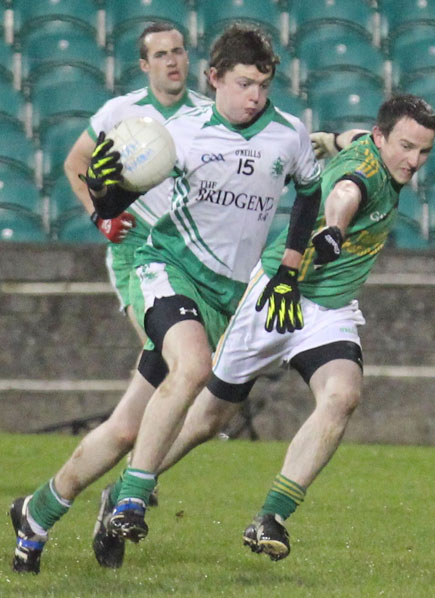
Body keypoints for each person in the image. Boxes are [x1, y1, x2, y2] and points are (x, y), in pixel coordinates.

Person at [10, 22, 322, 574]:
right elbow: (113, 201)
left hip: (223, 296)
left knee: (129, 425)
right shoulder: (184, 134)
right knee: (194, 366)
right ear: (216, 78)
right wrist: (105, 191)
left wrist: (289, 269)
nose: (255, 96)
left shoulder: (289, 134)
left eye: (263, 85)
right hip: (167, 267)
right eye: (244, 83)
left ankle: (36, 512)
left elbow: (308, 191)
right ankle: (131, 496)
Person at [132, 93, 435, 562]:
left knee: (342, 395)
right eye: (406, 147)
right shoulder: (367, 174)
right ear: (382, 139)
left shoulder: (372, 145)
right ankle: (131, 489)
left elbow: (355, 141)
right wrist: (334, 230)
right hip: (280, 292)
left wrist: (332, 138)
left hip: (329, 310)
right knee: (211, 417)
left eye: (423, 151)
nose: (414, 160)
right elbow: (345, 193)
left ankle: (271, 517)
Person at [64, 21, 211, 342]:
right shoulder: (120, 112)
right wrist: (99, 215)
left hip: (189, 249)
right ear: (145, 65)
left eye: (177, 51)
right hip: (135, 243)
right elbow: (75, 162)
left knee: (178, 360)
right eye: (160, 55)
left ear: (187, 57)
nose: (171, 61)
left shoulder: (209, 116)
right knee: (161, 349)